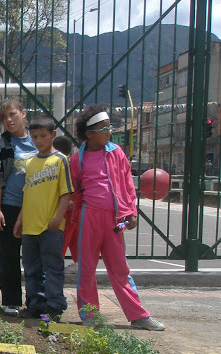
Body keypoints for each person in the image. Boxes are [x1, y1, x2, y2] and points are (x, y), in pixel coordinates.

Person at [70, 105, 165, 330]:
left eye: (109, 127)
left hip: (115, 220)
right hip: (88, 218)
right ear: (89, 134)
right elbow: (75, 189)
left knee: (120, 268)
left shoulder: (116, 153)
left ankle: (139, 316)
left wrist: (130, 212)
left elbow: (126, 185)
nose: (109, 131)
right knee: (87, 267)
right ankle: (90, 315)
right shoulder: (77, 159)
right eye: (104, 128)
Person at [12, 115, 73, 321]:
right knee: (31, 269)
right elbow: (27, 194)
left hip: (50, 227)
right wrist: (20, 220)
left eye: (43, 136)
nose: (39, 140)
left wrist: (58, 218)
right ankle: (35, 304)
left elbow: (66, 193)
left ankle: (54, 305)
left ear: (53, 135)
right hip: (30, 226)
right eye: (35, 136)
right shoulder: (29, 162)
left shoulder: (60, 161)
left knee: (53, 268)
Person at [0, 97, 38, 317]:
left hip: (36, 207)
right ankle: (11, 300)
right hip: (10, 205)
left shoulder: (37, 141)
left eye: (12, 114)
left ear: (23, 113)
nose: (8, 120)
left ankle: (37, 299)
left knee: (35, 255)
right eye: (4, 117)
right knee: (9, 255)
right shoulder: (3, 145)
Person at [53, 135, 79, 275]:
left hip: (65, 207)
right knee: (74, 238)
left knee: (62, 239)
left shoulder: (60, 163)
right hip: (74, 206)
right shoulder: (72, 163)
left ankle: (57, 265)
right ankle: (79, 262)